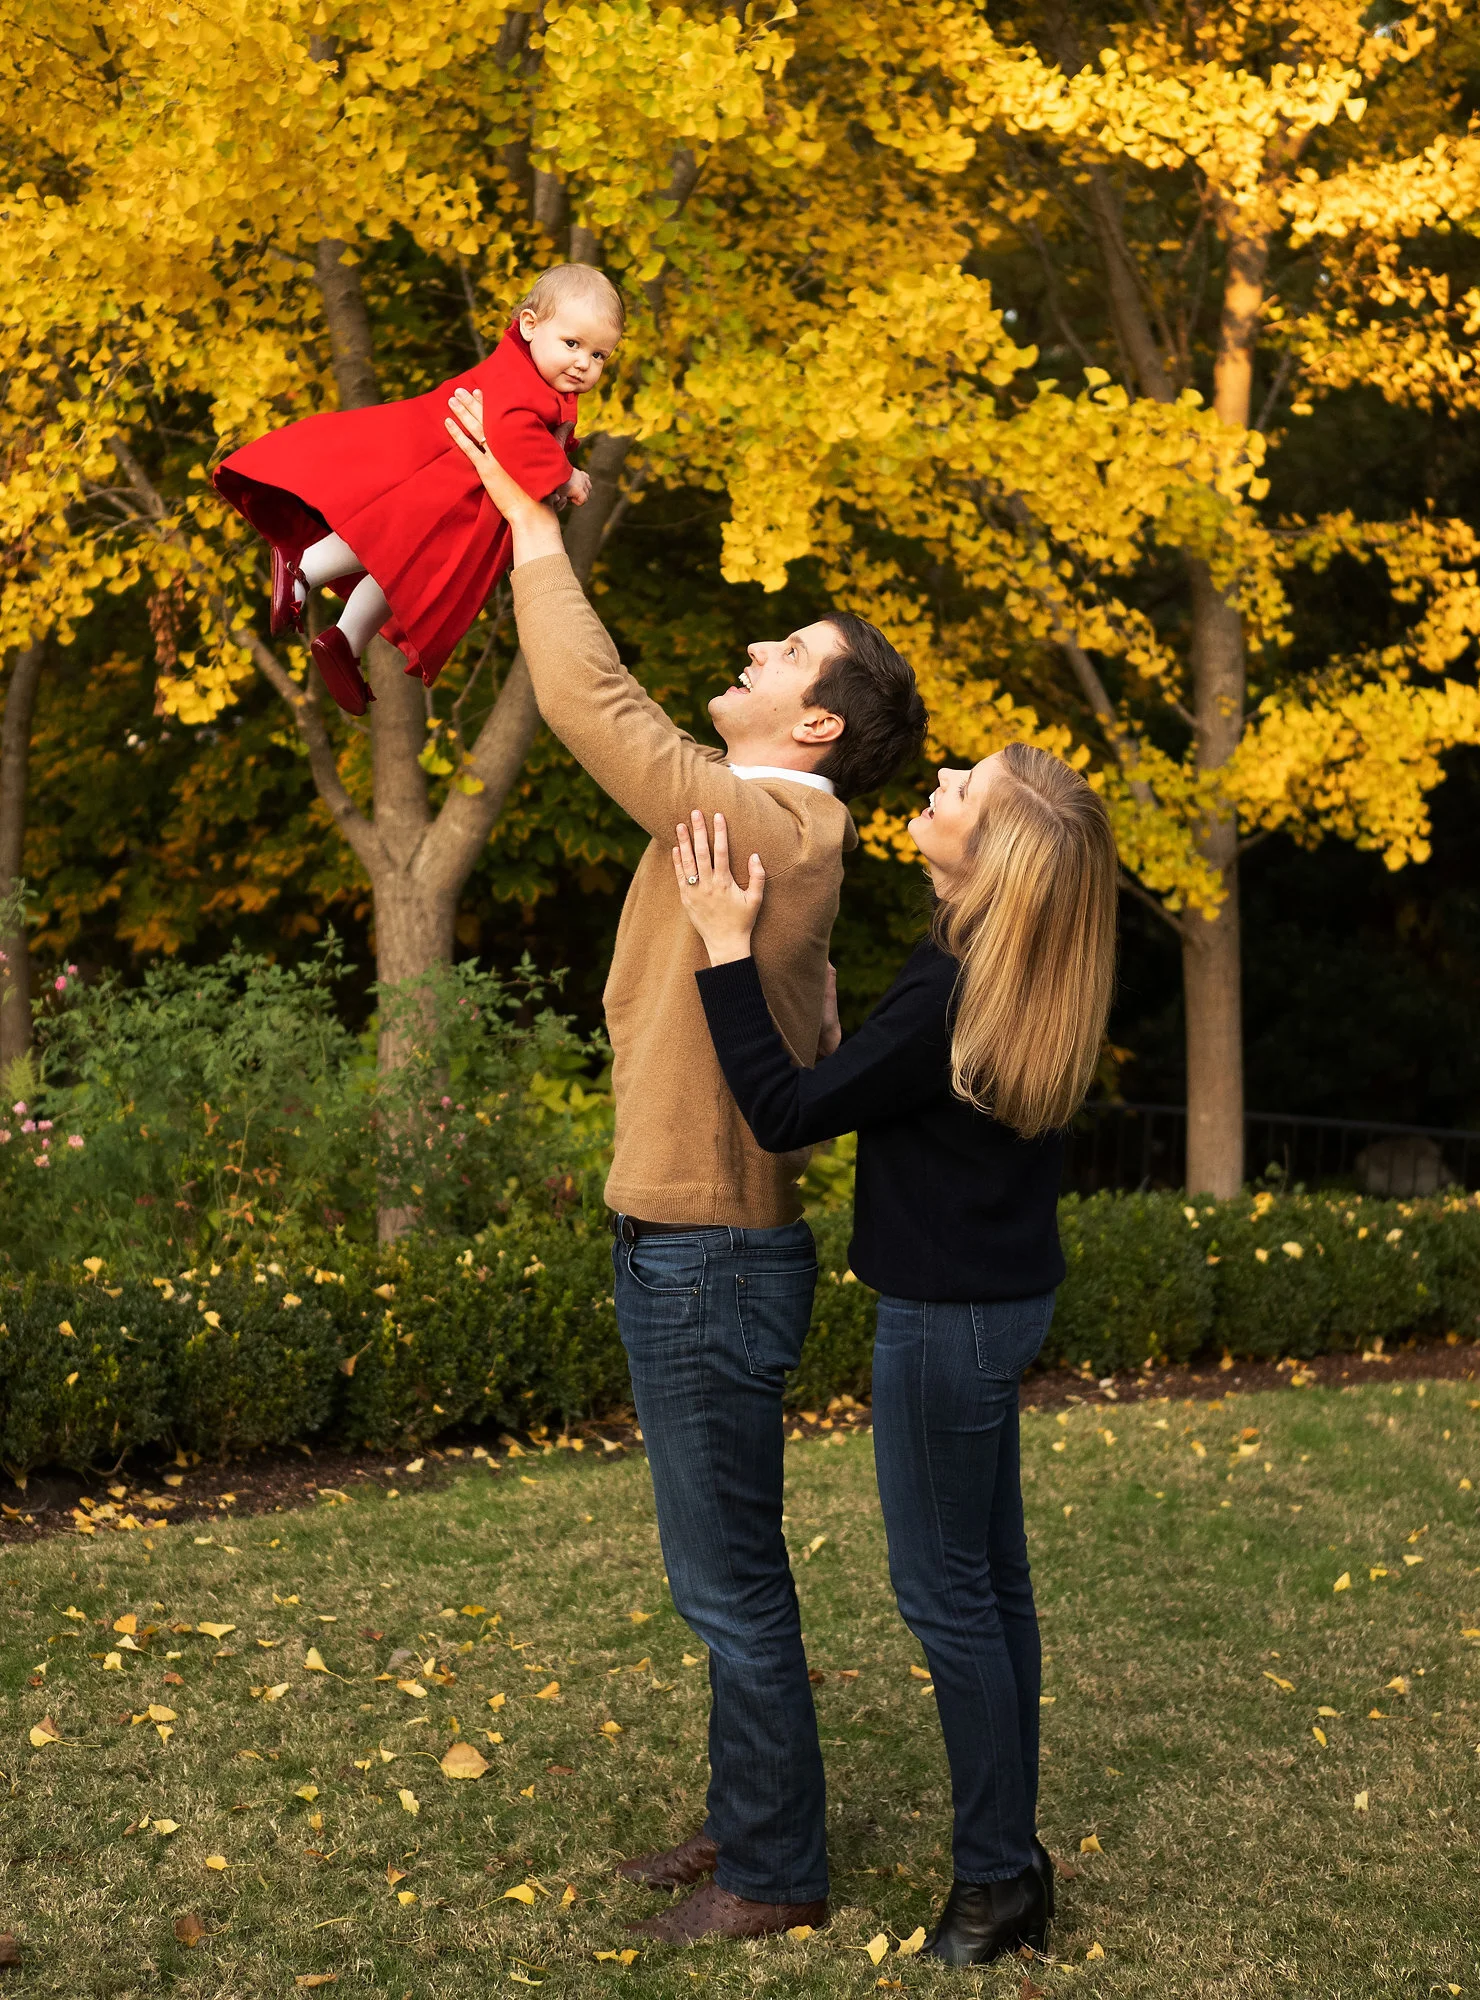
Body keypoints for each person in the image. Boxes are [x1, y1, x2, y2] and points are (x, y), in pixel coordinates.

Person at [442, 391, 928, 1943]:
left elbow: (604, 714)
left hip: (711, 1256)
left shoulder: (779, 829)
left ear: (820, 724)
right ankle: (747, 1823)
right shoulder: (755, 821)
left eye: (786, 651)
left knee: (729, 1582)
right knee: (715, 1570)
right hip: (679, 1241)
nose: (757, 649)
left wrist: (534, 527)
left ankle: (775, 1875)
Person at [669, 743, 1118, 1967]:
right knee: (992, 1588)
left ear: (995, 855)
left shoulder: (949, 986)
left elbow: (784, 1117)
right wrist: (830, 1040)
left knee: (948, 1598)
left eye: (960, 790)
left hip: (945, 1317)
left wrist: (721, 945)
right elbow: (885, 1090)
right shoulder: (996, 963)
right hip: (998, 1300)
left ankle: (993, 1885)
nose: (937, 784)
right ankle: (1011, 1863)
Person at [213, 263, 622, 715]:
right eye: (573, 344)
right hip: (439, 474)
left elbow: (532, 445)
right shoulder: (519, 380)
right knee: (394, 537)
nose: (584, 363)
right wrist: (564, 474)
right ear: (529, 325)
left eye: (599, 355)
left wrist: (553, 474)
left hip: (463, 494)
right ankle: (305, 565)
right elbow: (512, 434)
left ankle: (345, 640)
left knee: (407, 567)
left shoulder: (543, 386)